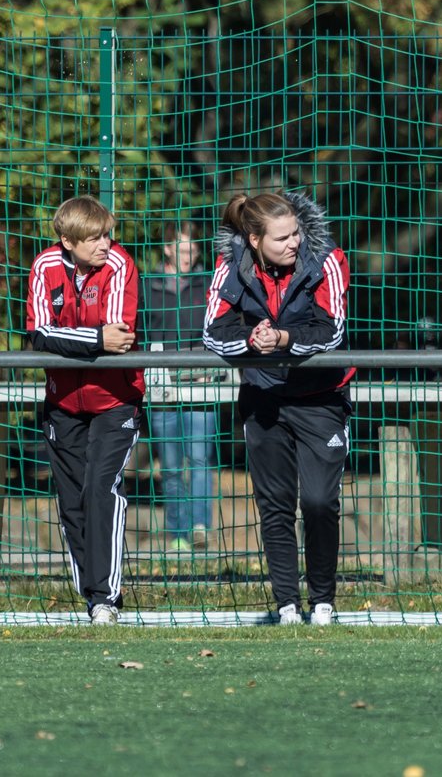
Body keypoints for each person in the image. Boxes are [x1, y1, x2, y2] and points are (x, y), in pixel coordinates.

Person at [203, 191, 352, 626]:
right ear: (253, 239)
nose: (294, 243)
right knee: (275, 505)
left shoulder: (327, 260)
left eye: (296, 234)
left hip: (320, 397)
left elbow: (331, 329)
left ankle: (322, 600)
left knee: (322, 501)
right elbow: (214, 331)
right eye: (282, 237)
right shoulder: (230, 265)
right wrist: (252, 340)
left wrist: (283, 340)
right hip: (263, 398)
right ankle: (287, 604)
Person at [26, 195, 144, 626]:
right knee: (72, 500)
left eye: (107, 234)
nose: (104, 244)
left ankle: (104, 599)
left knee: (100, 490)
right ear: (66, 240)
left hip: (116, 401)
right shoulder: (44, 267)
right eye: (94, 238)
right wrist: (92, 341)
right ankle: (88, 592)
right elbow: (38, 334)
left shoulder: (120, 265)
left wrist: (76, 339)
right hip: (61, 403)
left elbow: (118, 337)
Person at [142, 221, 218, 552]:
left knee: (200, 459)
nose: (188, 255)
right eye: (182, 248)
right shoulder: (148, 286)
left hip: (201, 382)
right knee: (170, 465)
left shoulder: (208, 284)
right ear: (168, 249)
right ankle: (177, 535)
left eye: (193, 249)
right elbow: (140, 335)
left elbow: (220, 328)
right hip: (161, 386)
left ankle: (200, 527)